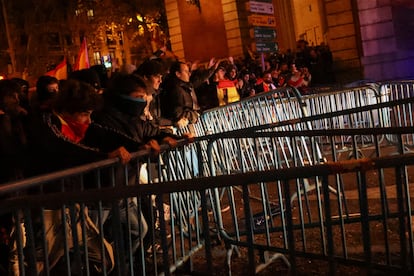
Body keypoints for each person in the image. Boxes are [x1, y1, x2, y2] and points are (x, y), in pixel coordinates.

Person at [11, 79, 132, 275]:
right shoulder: (44, 122)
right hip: (47, 207)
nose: (89, 120)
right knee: (42, 265)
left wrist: (150, 142)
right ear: (67, 109)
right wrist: (102, 157)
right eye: (85, 114)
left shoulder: (79, 126)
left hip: (71, 205)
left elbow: (108, 134)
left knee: (104, 257)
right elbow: (62, 147)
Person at [160, 61, 200, 130]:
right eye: (186, 71)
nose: (189, 74)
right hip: (182, 128)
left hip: (186, 125)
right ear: (178, 74)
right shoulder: (175, 89)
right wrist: (193, 115)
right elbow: (177, 113)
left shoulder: (185, 87)